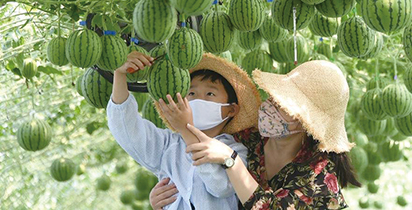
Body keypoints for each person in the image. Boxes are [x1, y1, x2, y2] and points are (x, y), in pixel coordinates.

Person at [150, 60, 361, 209]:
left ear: (305, 123)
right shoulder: (249, 138)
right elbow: (198, 170)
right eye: (272, 97)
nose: (268, 106)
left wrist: (231, 161)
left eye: (280, 104)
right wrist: (166, 198)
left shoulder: (320, 179)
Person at [107, 52, 261, 209]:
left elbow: (220, 187)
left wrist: (187, 131)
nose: (198, 99)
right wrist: (120, 75)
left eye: (210, 94)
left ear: (231, 110)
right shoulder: (168, 145)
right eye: (191, 93)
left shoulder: (235, 151)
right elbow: (126, 129)